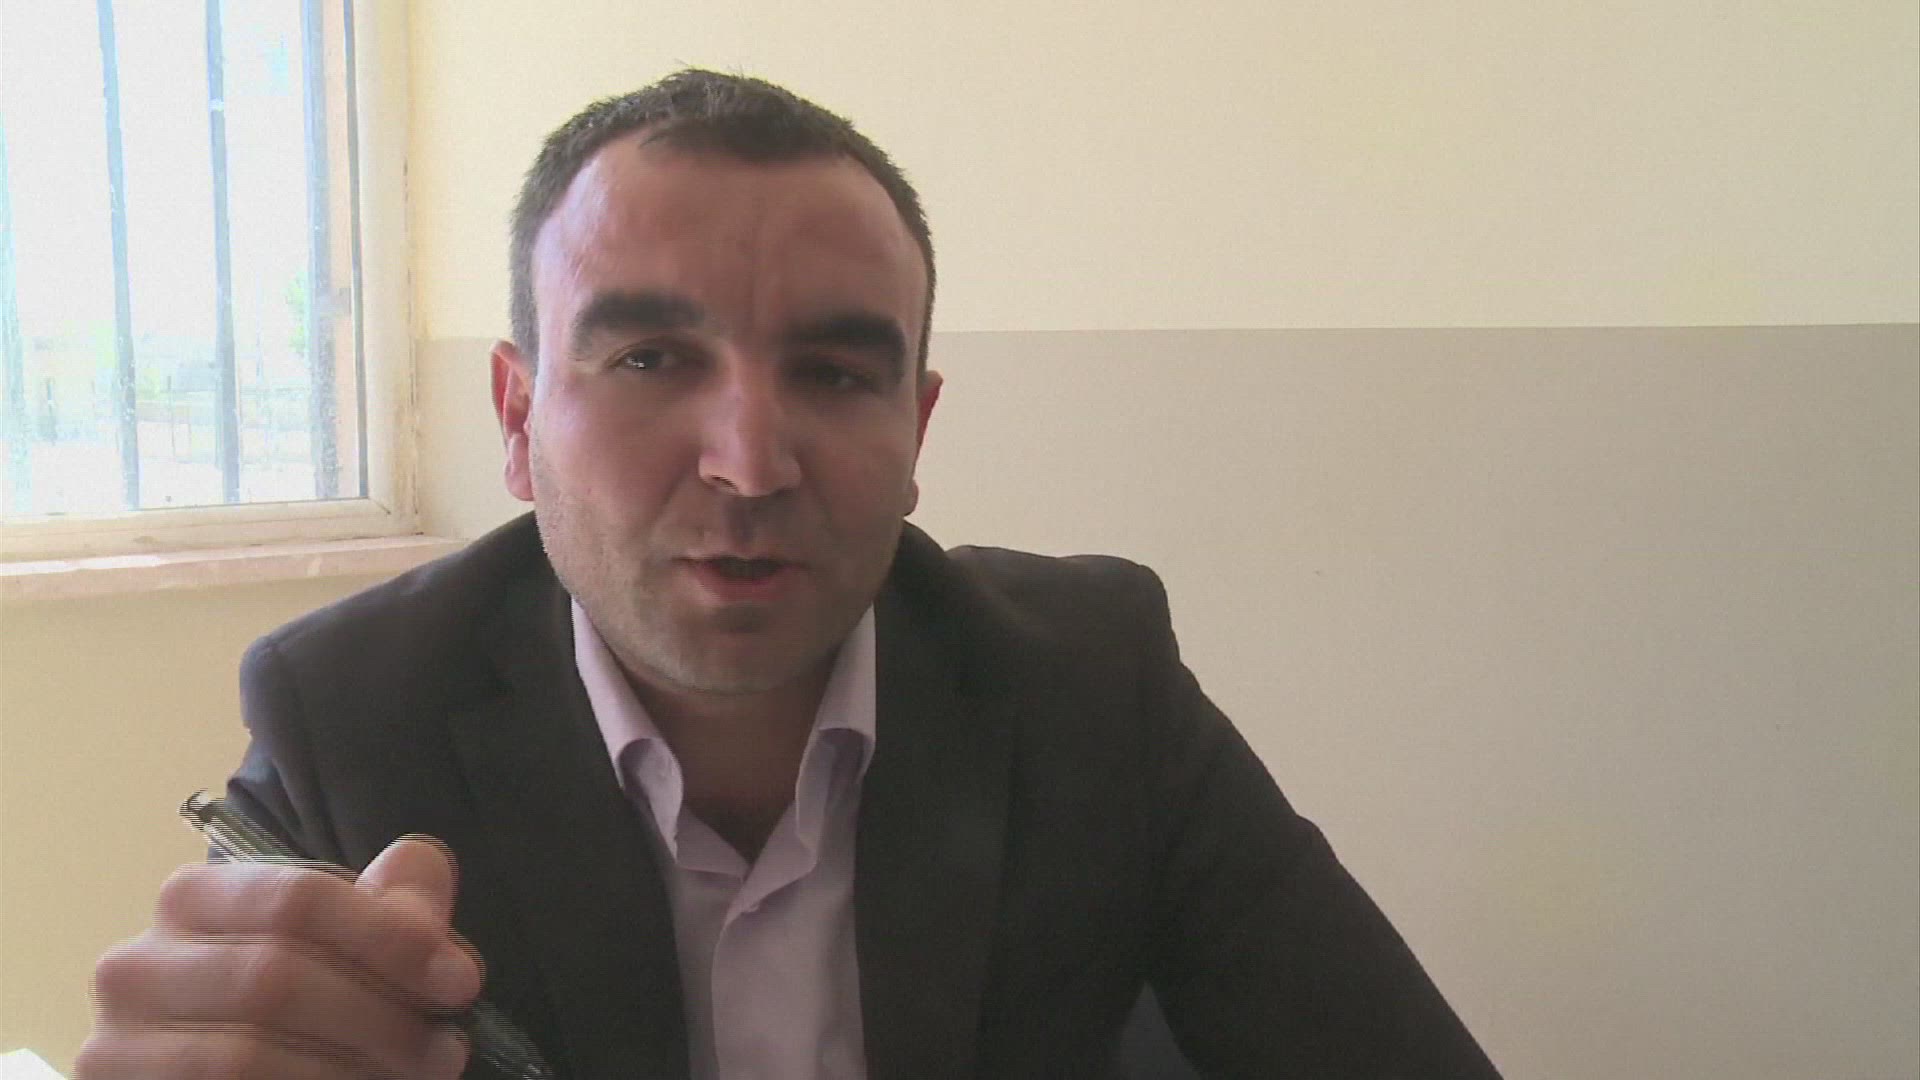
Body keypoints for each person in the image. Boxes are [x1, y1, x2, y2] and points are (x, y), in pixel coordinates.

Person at [78, 70, 1500, 1079]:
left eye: (833, 372)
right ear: (517, 420)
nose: (750, 465)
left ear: (917, 431)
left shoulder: (1092, 686)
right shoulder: (354, 715)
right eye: (651, 359)